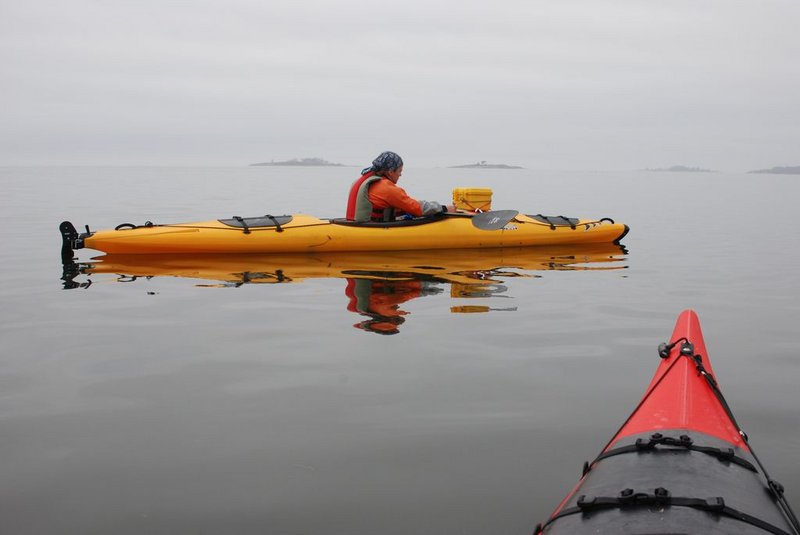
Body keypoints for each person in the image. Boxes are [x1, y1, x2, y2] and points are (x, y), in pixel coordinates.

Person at [345, 151, 456, 222]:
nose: (400, 174)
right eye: (399, 171)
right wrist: (444, 208)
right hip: (369, 231)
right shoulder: (385, 188)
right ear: (390, 172)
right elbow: (416, 207)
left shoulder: (360, 181)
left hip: (354, 224)